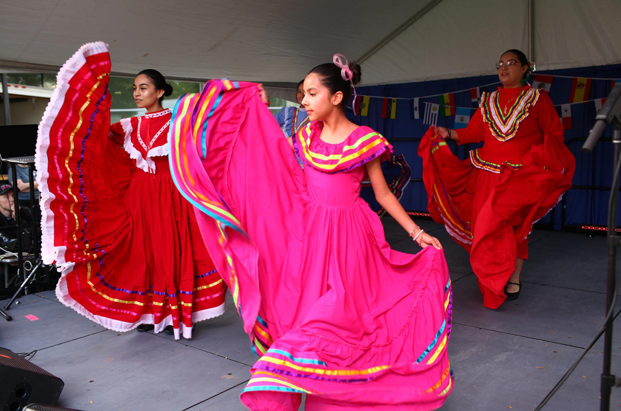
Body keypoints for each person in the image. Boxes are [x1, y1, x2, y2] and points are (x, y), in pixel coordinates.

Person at [169, 55, 453, 410]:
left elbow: (381, 193)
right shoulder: (304, 135)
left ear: (335, 97)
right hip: (306, 237)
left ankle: (341, 394)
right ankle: (294, 387)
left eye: (311, 93)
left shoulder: (364, 140)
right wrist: (255, 109)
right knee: (300, 315)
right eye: (302, 94)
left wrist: (415, 233)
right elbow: (271, 162)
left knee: (338, 319)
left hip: (351, 240)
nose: (303, 100)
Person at [36, 43, 226, 340]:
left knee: (173, 251)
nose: (137, 93)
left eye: (144, 87)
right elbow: (96, 149)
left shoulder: (181, 121)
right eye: (135, 88)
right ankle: (151, 313)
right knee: (144, 254)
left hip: (173, 195)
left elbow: (205, 149)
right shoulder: (125, 127)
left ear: (160, 92)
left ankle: (177, 314)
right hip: (138, 198)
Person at [418, 49, 575, 309]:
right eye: (500, 64)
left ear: (525, 68)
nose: (503, 68)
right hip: (486, 173)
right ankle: (491, 278)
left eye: (510, 63)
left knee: (516, 228)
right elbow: (474, 132)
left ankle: (512, 277)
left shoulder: (538, 99)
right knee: (485, 227)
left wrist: (538, 162)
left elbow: (554, 134)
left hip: (518, 178)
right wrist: (448, 133)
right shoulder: (488, 99)